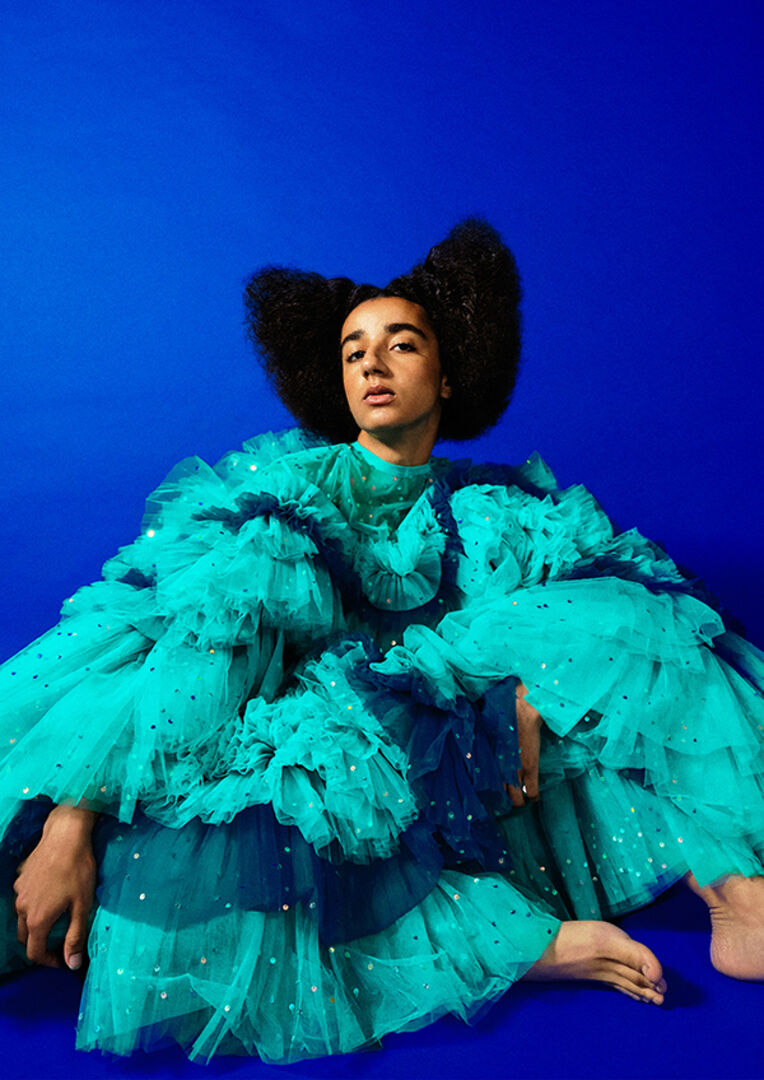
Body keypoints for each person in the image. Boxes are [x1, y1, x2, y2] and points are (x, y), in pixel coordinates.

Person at [2, 220, 762, 1064]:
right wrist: (71, 823)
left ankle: (735, 890)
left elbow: (590, 633)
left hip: (456, 759)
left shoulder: (490, 509)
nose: (373, 363)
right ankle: (521, 943)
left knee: (646, 624)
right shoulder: (289, 497)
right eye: (354, 350)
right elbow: (183, 674)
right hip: (303, 742)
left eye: (402, 344)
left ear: (449, 373)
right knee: (255, 839)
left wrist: (535, 686)